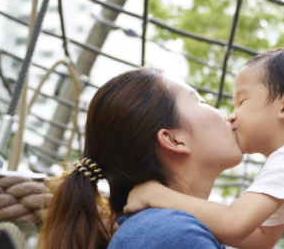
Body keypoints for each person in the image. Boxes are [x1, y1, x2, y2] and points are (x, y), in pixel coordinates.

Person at [38, 68, 244, 249]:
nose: (226, 114)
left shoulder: (155, 229)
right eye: (201, 101)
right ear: (174, 139)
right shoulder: (175, 234)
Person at [124, 48, 284, 249]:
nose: (232, 115)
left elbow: (234, 223)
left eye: (242, 102)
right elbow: (262, 240)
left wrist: (155, 195)